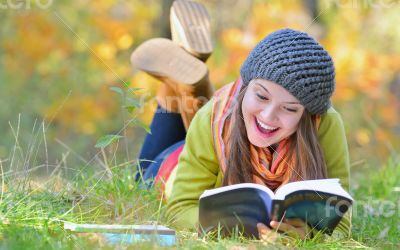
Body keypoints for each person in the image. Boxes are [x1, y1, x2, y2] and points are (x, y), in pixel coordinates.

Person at [130, 0, 351, 241]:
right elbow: (180, 207)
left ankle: (187, 77)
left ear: (308, 115)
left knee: (222, 122)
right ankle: (178, 86)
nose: (268, 116)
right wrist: (233, 232)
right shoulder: (212, 116)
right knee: (142, 177)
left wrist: (306, 235)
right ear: (245, 85)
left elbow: (340, 221)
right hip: (172, 165)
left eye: (288, 108)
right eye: (261, 96)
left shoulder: (325, 124)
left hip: (214, 143)